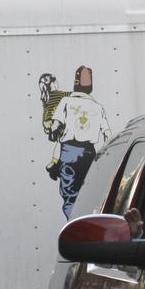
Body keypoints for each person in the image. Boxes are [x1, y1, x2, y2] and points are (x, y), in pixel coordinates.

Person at [45, 66, 112, 218]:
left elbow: (55, 126)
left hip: (69, 152)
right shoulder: (98, 107)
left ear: (75, 83)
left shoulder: (66, 101)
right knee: (88, 194)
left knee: (70, 195)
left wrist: (53, 132)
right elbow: (108, 134)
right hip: (89, 154)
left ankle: (74, 227)